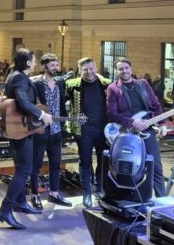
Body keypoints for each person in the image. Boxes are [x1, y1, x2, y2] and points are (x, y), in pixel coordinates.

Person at [0, 48, 53, 230]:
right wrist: (42, 114)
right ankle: (5, 210)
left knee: (21, 168)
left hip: (20, 127)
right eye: (34, 60)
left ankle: (20, 203)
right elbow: (23, 101)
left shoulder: (15, 74)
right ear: (28, 62)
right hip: (21, 129)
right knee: (24, 171)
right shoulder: (19, 77)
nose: (35, 63)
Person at [106, 58, 167, 197]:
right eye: (120, 69)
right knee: (129, 168)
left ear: (131, 69)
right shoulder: (113, 88)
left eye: (126, 68)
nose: (124, 71)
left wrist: (163, 124)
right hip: (127, 133)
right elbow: (112, 114)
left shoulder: (143, 84)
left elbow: (156, 105)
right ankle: (130, 199)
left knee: (156, 166)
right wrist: (132, 122)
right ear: (117, 71)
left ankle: (162, 201)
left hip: (147, 130)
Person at [29, 53, 72, 210]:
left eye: (57, 65)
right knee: (36, 163)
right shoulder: (36, 83)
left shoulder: (60, 82)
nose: (56, 68)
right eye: (53, 65)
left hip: (56, 129)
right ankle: (35, 195)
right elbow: (31, 105)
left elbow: (61, 104)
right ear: (44, 66)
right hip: (40, 129)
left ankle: (54, 194)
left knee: (56, 162)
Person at [65, 57, 110, 208]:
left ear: (96, 68)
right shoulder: (72, 85)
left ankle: (100, 188)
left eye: (91, 68)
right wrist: (71, 117)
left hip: (103, 129)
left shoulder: (106, 84)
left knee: (103, 160)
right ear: (80, 70)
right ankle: (87, 192)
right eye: (85, 69)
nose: (89, 72)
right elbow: (60, 101)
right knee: (85, 161)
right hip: (84, 130)